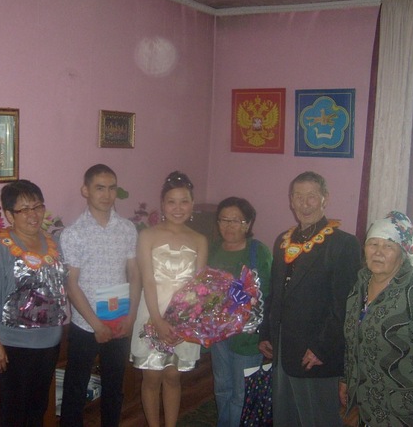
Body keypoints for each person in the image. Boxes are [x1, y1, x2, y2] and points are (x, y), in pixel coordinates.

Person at [258, 171, 361, 427]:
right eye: (298, 196)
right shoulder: (283, 241)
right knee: (286, 415)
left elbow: (345, 305)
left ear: (325, 199)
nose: (304, 204)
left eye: (312, 196)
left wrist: (322, 348)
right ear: (290, 200)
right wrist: (266, 332)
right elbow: (275, 293)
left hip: (315, 351)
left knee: (317, 418)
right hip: (283, 346)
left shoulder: (343, 244)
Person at [339, 211, 413, 427]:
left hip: (403, 407)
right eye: (373, 244)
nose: (378, 252)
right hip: (364, 401)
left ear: (402, 253)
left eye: (388, 246)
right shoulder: (359, 285)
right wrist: (346, 379)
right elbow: (352, 340)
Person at [0, 180, 68, 426]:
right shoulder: (0, 249)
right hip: (14, 347)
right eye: (24, 209)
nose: (33, 215)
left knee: (37, 409)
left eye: (37, 206)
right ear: (9, 215)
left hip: (49, 343)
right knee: (13, 413)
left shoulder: (53, 244)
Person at [59, 164, 141, 427]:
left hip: (119, 318)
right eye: (99, 188)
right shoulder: (73, 234)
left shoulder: (127, 228)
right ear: (86, 190)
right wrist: (96, 325)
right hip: (86, 323)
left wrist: (131, 317)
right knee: (75, 387)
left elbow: (135, 274)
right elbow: (71, 285)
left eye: (111, 188)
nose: (107, 195)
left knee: (115, 386)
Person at [130, 171, 208, 427]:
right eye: (172, 202)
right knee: (152, 378)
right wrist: (157, 320)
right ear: (162, 205)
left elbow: (198, 288)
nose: (178, 208)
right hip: (152, 313)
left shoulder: (199, 240)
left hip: (184, 318)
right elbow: (147, 281)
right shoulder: (148, 236)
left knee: (174, 377)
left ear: (192, 204)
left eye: (184, 201)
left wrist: (185, 324)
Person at [208, 197, 272, 427]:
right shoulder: (213, 249)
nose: (229, 225)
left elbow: (269, 294)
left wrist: (266, 333)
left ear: (248, 224)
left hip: (248, 335)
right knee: (222, 386)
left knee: (241, 392)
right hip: (218, 333)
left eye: (236, 220)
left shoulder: (258, 251)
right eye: (223, 220)